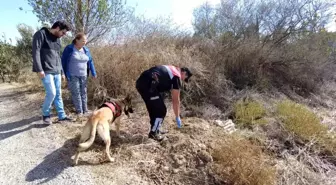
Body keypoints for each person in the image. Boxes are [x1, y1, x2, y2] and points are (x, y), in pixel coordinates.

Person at [32, 20, 74, 124]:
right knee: (52, 93)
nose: (63, 35)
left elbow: (58, 57)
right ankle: (46, 115)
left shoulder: (58, 40)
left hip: (57, 71)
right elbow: (35, 52)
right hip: (45, 70)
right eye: (63, 32)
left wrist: (62, 72)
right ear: (57, 28)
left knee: (58, 94)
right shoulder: (40, 34)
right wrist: (39, 69)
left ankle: (62, 116)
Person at [135, 65, 193, 141]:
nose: (182, 80)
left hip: (141, 82)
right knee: (161, 110)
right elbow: (176, 100)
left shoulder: (171, 68)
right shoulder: (176, 76)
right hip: (149, 84)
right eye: (185, 78)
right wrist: (177, 117)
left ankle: (156, 129)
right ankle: (154, 133)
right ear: (184, 73)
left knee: (154, 109)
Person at [61, 33, 97, 117]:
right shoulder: (69, 49)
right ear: (77, 40)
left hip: (84, 75)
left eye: (86, 40)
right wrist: (63, 73)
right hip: (72, 75)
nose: (85, 42)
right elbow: (63, 62)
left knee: (83, 92)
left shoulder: (86, 50)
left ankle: (85, 110)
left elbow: (90, 61)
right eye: (83, 40)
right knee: (76, 93)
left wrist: (94, 73)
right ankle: (79, 111)